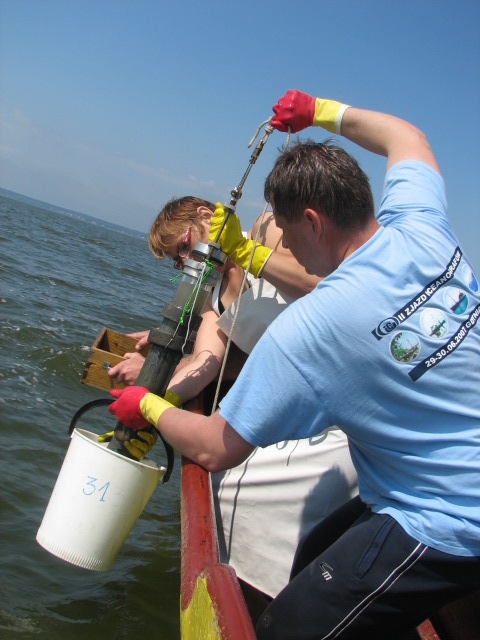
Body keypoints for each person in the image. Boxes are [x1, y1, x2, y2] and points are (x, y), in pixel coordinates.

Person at [107, 89, 480, 638]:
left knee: (284, 627)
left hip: (451, 516)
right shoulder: (421, 228)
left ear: (312, 220)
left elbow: (216, 447)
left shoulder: (311, 326)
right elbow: (407, 137)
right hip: (429, 477)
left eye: (283, 230)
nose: (282, 245)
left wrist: (148, 406)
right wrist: (321, 111)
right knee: (315, 549)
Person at [108, 196, 358, 604]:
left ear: (207, 218)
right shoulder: (212, 296)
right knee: (224, 490)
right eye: (176, 260)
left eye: (184, 247)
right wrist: (157, 404)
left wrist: (246, 252)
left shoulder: (267, 228)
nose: (184, 261)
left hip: (334, 405)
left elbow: (326, 282)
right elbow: (206, 364)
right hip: (283, 406)